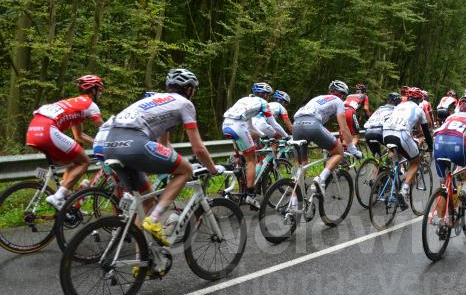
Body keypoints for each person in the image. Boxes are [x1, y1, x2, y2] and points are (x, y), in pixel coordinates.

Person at [102, 69, 224, 245]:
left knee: (147, 201)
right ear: (188, 89)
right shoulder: (185, 104)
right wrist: (212, 169)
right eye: (193, 89)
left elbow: (163, 145)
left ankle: (141, 263)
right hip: (134, 143)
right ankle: (154, 219)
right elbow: (198, 148)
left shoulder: (156, 102)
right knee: (185, 171)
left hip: (110, 145)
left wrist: (177, 159)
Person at [26, 75, 105, 210]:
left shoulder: (74, 104)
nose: (101, 94)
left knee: (73, 161)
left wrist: (99, 146)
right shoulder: (90, 105)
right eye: (100, 90)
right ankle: (58, 197)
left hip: (33, 131)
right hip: (47, 130)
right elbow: (105, 129)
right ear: (94, 90)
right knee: (84, 161)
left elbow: (79, 137)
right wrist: (111, 145)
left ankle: (64, 195)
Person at [221, 82, 286, 209]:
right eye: (268, 95)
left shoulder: (245, 100)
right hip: (238, 126)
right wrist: (283, 136)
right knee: (252, 160)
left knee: (250, 145)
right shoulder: (263, 103)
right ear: (266, 95)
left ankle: (238, 166)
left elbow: (250, 127)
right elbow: (274, 124)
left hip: (226, 125)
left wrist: (262, 135)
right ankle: (250, 195)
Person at [292, 80, 360, 195]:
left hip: (296, 125)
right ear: (343, 95)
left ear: (329, 91)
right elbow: (344, 128)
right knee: (339, 152)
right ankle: (320, 179)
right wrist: (353, 149)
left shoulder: (317, 99)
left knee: (301, 166)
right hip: (312, 124)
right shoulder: (338, 101)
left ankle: (294, 204)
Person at [381, 87, 433, 210]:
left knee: (397, 157)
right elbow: (426, 132)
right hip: (401, 134)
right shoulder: (419, 110)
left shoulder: (398, 106)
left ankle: (393, 177)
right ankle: (403, 192)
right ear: (419, 99)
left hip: (386, 134)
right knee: (415, 162)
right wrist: (430, 148)